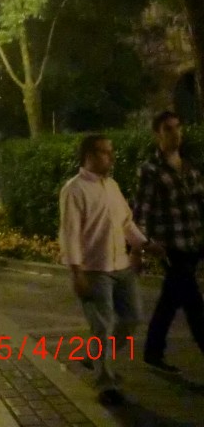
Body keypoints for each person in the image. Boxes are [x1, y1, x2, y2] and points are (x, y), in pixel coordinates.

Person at [60, 133, 160, 406]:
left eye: (110, 151)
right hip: (94, 269)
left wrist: (143, 244)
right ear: (89, 156)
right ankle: (105, 383)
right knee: (102, 326)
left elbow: (126, 222)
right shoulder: (74, 189)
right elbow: (70, 233)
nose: (111, 157)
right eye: (105, 152)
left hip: (121, 266)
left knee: (131, 318)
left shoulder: (112, 186)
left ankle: (95, 357)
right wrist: (76, 271)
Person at [133, 110, 204, 373]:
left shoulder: (189, 168)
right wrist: (141, 248)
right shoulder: (150, 170)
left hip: (193, 242)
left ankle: (153, 351)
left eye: (177, 128)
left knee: (170, 300)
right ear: (157, 135)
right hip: (170, 246)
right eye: (168, 129)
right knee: (194, 304)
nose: (175, 134)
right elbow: (141, 211)